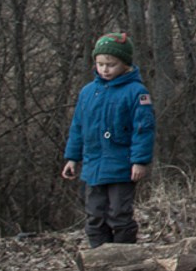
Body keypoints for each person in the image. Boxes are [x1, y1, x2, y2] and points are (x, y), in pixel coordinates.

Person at [62, 32, 156, 247]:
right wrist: (72, 158)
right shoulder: (88, 92)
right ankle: (99, 257)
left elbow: (144, 129)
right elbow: (78, 127)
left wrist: (139, 161)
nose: (104, 69)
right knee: (94, 216)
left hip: (121, 167)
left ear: (125, 64)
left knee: (119, 214)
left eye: (111, 65)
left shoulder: (136, 92)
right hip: (93, 167)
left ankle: (124, 256)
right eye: (100, 64)